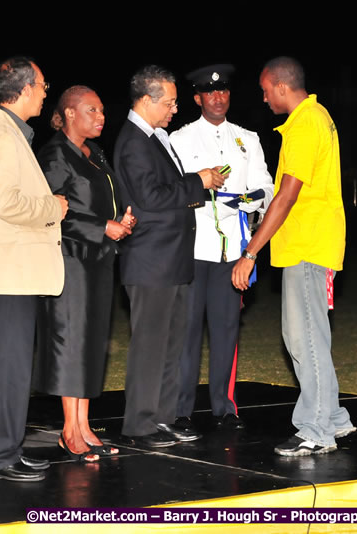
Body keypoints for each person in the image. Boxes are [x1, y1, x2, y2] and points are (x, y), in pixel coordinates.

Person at [231, 57, 356, 456]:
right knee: (310, 336)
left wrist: (251, 252)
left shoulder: (305, 122)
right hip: (314, 243)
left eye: (266, 91)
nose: (264, 98)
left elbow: (287, 194)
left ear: (281, 86)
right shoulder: (319, 116)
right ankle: (334, 418)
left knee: (304, 341)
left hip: (307, 245)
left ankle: (316, 429)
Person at [0, 56, 68, 481]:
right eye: (42, 85)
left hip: (14, 274)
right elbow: (6, 202)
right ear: (25, 89)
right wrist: (52, 208)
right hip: (6, 274)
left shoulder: (9, 132)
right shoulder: (3, 136)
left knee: (14, 369)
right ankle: (0, 458)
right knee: (7, 369)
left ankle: (9, 449)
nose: (46, 91)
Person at [113, 65, 226, 448]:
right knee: (150, 346)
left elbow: (164, 187)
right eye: (170, 102)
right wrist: (199, 182)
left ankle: (162, 419)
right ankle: (140, 426)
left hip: (171, 260)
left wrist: (194, 178)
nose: (175, 109)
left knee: (170, 344)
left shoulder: (154, 136)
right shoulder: (133, 141)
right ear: (146, 100)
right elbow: (151, 198)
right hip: (150, 262)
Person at [34, 86, 136, 461]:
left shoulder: (95, 155)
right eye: (92, 109)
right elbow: (52, 211)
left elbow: (100, 201)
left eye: (103, 110)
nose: (101, 116)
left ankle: (84, 424)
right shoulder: (54, 154)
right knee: (70, 342)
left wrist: (119, 220)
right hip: (70, 260)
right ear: (70, 113)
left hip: (98, 261)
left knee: (92, 341)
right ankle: (68, 430)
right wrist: (101, 227)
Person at [169, 64, 273, 431]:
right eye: (209, 92)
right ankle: (180, 410)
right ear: (197, 98)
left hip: (232, 252)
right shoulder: (179, 140)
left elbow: (267, 186)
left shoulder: (248, 139)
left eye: (224, 90)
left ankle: (223, 407)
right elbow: (173, 191)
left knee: (227, 329)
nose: (218, 97)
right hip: (195, 249)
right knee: (188, 332)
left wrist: (248, 201)